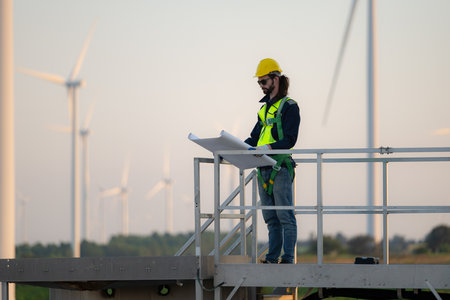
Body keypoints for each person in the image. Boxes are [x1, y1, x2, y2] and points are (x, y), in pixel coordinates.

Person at [245, 58, 300, 264]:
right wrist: (232, 149)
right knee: (270, 218)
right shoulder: (263, 109)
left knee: (285, 215)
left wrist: (267, 148)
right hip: (263, 168)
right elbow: (253, 138)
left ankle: (287, 259)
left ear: (276, 79)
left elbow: (290, 139)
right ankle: (271, 257)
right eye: (259, 82)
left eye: (264, 81)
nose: (261, 86)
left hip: (280, 167)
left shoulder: (290, 106)